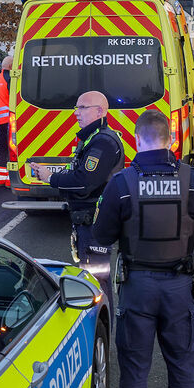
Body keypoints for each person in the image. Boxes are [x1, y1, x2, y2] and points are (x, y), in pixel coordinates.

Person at [92, 110, 194, 388]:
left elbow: (102, 236)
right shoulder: (192, 180)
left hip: (138, 288)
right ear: (171, 139)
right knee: (182, 366)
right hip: (179, 287)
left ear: (136, 140)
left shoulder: (121, 183)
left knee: (134, 370)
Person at [30, 91, 123, 290]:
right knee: (91, 279)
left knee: (95, 282)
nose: (76, 113)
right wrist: (49, 174)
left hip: (95, 223)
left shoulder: (103, 142)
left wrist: (51, 178)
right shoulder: (91, 138)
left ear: (99, 111)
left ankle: (100, 311)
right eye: (76, 107)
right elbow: (77, 171)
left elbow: (84, 181)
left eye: (82, 107)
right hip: (88, 221)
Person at [0, 55, 13, 186]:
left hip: (1, 121)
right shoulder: (9, 78)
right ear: (11, 66)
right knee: (12, 149)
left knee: (2, 149)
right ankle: (10, 179)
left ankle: (0, 178)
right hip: (10, 120)